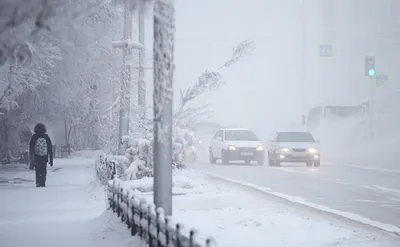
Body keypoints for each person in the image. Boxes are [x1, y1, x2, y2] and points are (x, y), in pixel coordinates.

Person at [29, 123, 53, 187]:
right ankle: (43, 182)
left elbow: (31, 147)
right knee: (43, 169)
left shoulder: (34, 136)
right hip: (44, 157)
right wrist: (51, 159)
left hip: (36, 156)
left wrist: (31, 158)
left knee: (37, 169)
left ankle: (38, 182)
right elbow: (50, 148)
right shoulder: (46, 136)